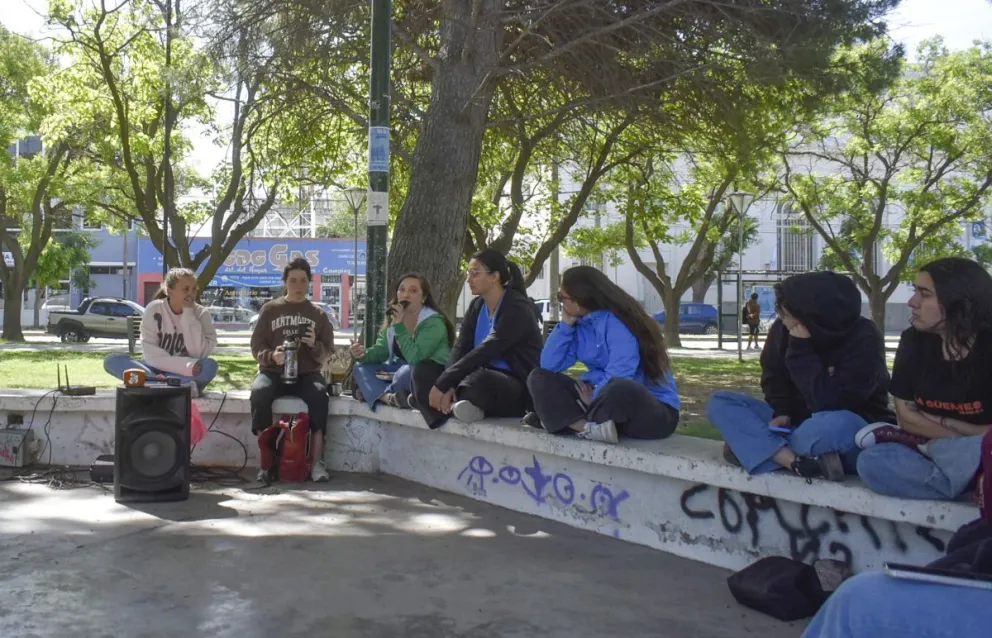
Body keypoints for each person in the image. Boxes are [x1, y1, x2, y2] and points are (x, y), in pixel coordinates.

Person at [706, 271, 894, 481]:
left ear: (811, 312)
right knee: (721, 402)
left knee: (835, 423)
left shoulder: (864, 336)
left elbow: (831, 403)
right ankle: (793, 460)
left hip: (848, 429)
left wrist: (801, 350)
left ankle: (755, 448)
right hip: (794, 424)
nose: (781, 318)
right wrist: (782, 411)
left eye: (786, 312)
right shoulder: (782, 330)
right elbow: (773, 377)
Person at [855, 257, 992, 500]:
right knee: (872, 461)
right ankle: (976, 485)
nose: (912, 302)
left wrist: (945, 425)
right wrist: (972, 438)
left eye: (924, 294)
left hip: (951, 448)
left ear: (959, 301)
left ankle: (968, 480)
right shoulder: (913, 341)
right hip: (948, 451)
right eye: (914, 291)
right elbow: (907, 420)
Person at [525, 266, 680, 444]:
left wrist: (595, 397)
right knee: (539, 377)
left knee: (620, 387)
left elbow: (622, 373)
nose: (561, 303)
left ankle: (562, 419)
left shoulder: (621, 322)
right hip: (600, 402)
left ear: (578, 300)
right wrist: (565, 326)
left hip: (649, 409)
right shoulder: (579, 324)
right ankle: (586, 427)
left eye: (561, 297)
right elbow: (549, 364)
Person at [410, 249, 542, 428]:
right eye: (468, 273)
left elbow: (487, 350)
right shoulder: (477, 305)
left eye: (475, 273)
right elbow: (460, 347)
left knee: (479, 381)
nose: (468, 279)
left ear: (495, 276)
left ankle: (433, 401)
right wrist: (447, 384)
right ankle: (443, 413)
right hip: (473, 375)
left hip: (511, 385)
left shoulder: (517, 307)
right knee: (423, 370)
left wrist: (445, 383)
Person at [249, 257, 335, 482]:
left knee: (319, 396)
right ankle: (266, 463)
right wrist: (271, 357)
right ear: (285, 282)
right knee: (259, 393)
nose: (298, 285)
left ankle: (317, 462)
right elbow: (256, 346)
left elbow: (327, 352)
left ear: (309, 283)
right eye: (293, 280)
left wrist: (314, 345)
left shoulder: (318, 314)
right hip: (274, 371)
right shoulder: (270, 310)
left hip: (307, 373)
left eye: (303, 281)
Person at [104, 267, 218, 396]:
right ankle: (176, 387)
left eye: (194, 289)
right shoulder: (154, 309)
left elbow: (198, 353)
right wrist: (185, 365)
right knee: (112, 360)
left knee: (210, 366)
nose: (190, 294)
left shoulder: (201, 314)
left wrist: (188, 314)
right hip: (155, 367)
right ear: (170, 291)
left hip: (185, 371)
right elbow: (150, 353)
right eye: (185, 289)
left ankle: (154, 385)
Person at [349, 272, 454, 409]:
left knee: (404, 374)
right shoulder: (394, 320)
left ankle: (373, 393)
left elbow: (416, 359)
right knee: (360, 367)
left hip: (424, 374)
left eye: (413, 291)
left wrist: (400, 327)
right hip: (396, 372)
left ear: (424, 297)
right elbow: (381, 351)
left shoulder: (433, 323)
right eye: (402, 290)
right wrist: (362, 354)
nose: (406, 295)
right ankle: (388, 398)